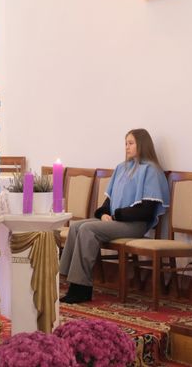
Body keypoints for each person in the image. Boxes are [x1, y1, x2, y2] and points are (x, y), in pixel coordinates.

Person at [59, 128, 170, 304]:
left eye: (131, 143)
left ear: (142, 144)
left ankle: (81, 288)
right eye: (125, 143)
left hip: (135, 225)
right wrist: (104, 213)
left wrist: (117, 214)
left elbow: (147, 210)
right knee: (76, 227)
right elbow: (108, 202)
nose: (127, 147)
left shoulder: (151, 170)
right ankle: (65, 279)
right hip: (117, 222)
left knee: (87, 229)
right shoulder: (121, 168)